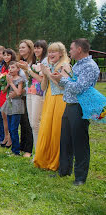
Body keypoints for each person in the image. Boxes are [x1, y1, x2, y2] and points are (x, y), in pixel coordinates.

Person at [50, 38, 100, 186]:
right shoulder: (77, 64)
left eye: (71, 49)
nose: (69, 51)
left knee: (79, 142)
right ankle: (64, 171)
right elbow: (72, 83)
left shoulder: (90, 66)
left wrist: (62, 80)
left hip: (80, 106)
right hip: (70, 104)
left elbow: (79, 87)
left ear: (79, 49)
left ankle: (80, 178)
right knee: (65, 139)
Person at [34, 42, 71, 171]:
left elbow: (63, 86)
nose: (50, 54)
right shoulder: (50, 65)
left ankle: (56, 161)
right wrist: (45, 74)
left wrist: (48, 73)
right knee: (46, 128)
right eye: (49, 52)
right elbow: (43, 87)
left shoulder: (65, 66)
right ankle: (44, 159)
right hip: (49, 98)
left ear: (61, 53)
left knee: (56, 130)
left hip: (61, 100)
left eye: (53, 52)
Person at [18, 40, 47, 154]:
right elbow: (29, 78)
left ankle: (39, 152)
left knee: (35, 124)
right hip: (30, 92)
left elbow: (41, 80)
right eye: (35, 48)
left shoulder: (44, 62)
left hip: (38, 94)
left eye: (39, 48)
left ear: (44, 49)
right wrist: (26, 70)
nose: (36, 50)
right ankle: (37, 152)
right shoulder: (36, 61)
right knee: (32, 123)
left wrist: (28, 69)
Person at [1, 62, 26, 156]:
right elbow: (3, 91)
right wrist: (7, 83)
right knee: (10, 128)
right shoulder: (9, 78)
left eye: (13, 67)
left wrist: (11, 83)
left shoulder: (20, 80)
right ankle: (13, 149)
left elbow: (18, 92)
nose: (10, 69)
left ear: (18, 69)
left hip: (16, 104)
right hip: (9, 104)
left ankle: (16, 150)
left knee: (14, 128)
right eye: (9, 68)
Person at [17, 39, 34, 157]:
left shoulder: (33, 62)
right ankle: (22, 146)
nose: (21, 49)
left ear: (29, 48)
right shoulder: (22, 61)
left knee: (29, 122)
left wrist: (26, 70)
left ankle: (29, 149)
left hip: (32, 93)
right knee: (22, 121)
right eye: (20, 47)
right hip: (23, 94)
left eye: (23, 47)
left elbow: (32, 79)